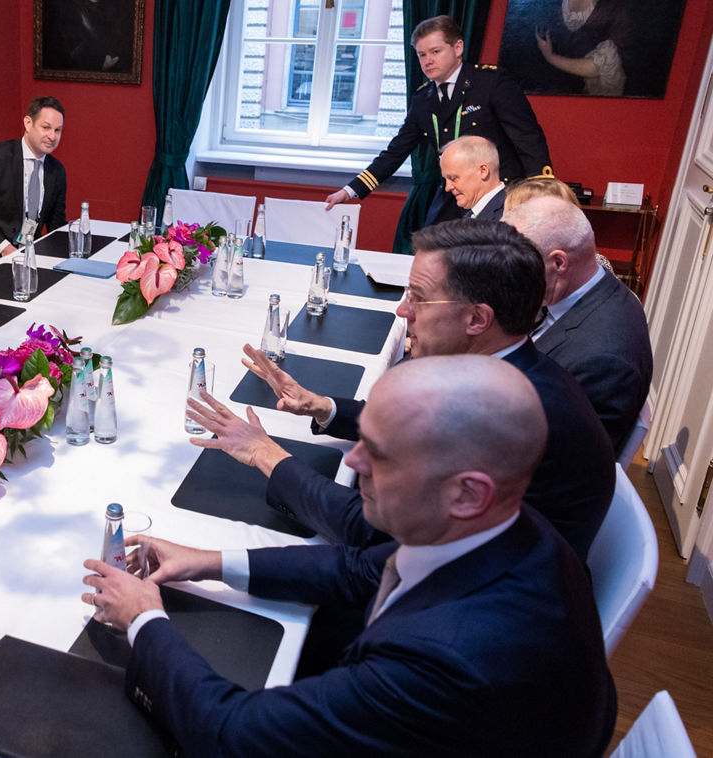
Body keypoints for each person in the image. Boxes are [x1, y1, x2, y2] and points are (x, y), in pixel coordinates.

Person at [83, 356, 617, 756]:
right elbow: (361, 568)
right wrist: (206, 561)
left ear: (467, 492)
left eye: (379, 454)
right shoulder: (512, 525)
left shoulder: (443, 661)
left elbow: (232, 735)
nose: (352, 460)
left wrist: (145, 621)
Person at [208, 219, 615, 563]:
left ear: (477, 318)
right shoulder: (509, 367)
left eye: (418, 298)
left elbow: (365, 529)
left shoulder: (497, 414)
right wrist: (324, 408)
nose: (402, 311)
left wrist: (266, 454)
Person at [326, 15, 552, 229]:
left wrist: (541, 192)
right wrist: (350, 190)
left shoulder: (491, 83)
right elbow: (395, 152)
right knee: (431, 253)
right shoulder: (423, 99)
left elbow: (528, 139)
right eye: (422, 55)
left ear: (457, 48)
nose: (428, 61)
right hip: (453, 196)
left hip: (499, 195)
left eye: (435, 51)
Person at [504, 195, 652, 455]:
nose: (511, 277)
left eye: (519, 266)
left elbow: (563, 463)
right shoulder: (591, 286)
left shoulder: (604, 360)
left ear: (559, 262)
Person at [0, 97, 68, 257]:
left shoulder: (57, 170)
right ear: (28, 123)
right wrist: (4, 248)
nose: (52, 136)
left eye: (57, 130)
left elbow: (56, 225)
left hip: (31, 256)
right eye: (46, 127)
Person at [439, 135, 507, 220]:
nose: (447, 188)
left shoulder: (508, 215)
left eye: (453, 178)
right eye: (445, 180)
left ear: (483, 171)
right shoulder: (472, 214)